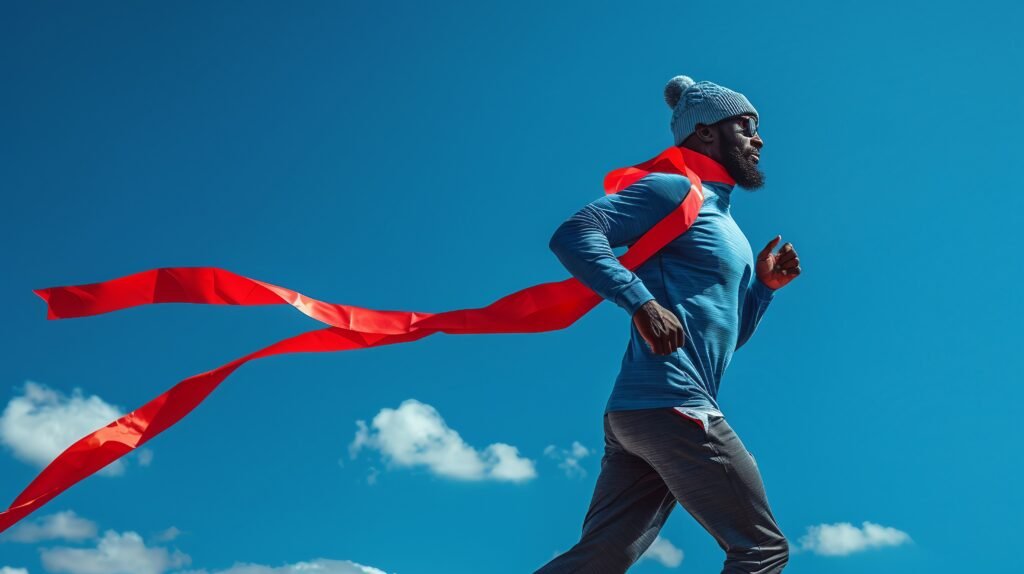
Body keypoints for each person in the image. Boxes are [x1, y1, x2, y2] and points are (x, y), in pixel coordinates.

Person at [534, 75, 801, 574]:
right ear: (703, 133)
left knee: (602, 557)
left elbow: (724, 336)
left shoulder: (729, 228)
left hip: (642, 413)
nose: (759, 139)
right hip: (672, 403)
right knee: (761, 549)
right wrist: (640, 301)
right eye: (745, 126)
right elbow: (574, 234)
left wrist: (762, 290)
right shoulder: (674, 190)